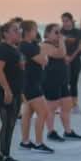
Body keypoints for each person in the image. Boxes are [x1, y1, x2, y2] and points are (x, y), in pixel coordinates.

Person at [0, 21, 25, 161]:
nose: (19, 32)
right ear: (5, 33)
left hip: (15, 92)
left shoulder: (14, 49)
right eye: (15, 30)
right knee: (7, 124)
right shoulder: (2, 49)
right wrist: (7, 90)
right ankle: (5, 158)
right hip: (3, 93)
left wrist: (20, 93)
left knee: (11, 125)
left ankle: (3, 155)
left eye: (19, 30)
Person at [18, 21, 53, 153]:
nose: (36, 32)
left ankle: (25, 141)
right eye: (34, 30)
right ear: (27, 32)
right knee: (43, 112)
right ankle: (39, 143)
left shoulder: (28, 45)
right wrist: (43, 49)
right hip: (31, 84)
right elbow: (44, 60)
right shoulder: (27, 46)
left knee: (27, 113)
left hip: (29, 83)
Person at [43, 24, 81, 141]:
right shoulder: (45, 45)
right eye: (56, 32)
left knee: (67, 105)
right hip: (51, 80)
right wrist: (62, 41)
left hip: (63, 80)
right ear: (47, 34)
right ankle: (51, 132)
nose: (59, 34)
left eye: (60, 32)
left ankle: (68, 131)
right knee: (52, 107)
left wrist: (76, 50)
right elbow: (60, 54)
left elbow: (66, 59)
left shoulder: (59, 45)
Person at [61, 13, 81, 112]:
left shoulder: (77, 32)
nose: (65, 23)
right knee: (63, 83)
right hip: (63, 60)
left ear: (71, 20)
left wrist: (71, 57)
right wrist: (65, 57)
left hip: (75, 60)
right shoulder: (60, 32)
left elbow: (80, 46)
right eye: (63, 21)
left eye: (66, 20)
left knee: (73, 83)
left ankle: (74, 105)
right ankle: (62, 105)